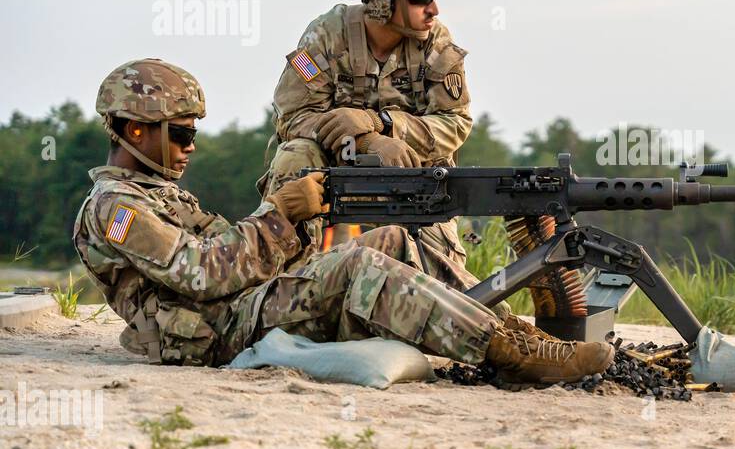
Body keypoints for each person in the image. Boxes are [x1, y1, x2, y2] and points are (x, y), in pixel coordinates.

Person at [72, 59, 613, 384]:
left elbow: (232, 253)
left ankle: (499, 331)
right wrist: (282, 214)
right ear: (134, 131)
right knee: (355, 265)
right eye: (180, 133)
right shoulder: (115, 209)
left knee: (393, 239)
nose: (190, 147)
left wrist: (299, 224)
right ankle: (514, 355)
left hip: (240, 307)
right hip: (216, 334)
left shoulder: (159, 195)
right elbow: (202, 275)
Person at [261, 0, 472, 275]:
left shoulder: (436, 43)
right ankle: (279, 275)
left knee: (446, 283)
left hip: (413, 175)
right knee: (295, 155)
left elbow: (456, 123)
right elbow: (292, 116)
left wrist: (384, 125)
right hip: (335, 173)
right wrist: (366, 141)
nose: (433, 8)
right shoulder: (327, 35)